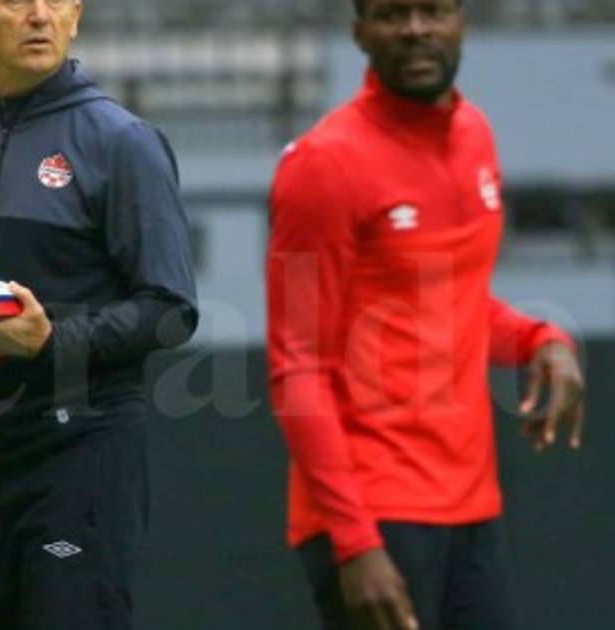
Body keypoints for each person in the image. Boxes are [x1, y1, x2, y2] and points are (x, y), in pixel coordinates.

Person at [0, 0, 198, 627]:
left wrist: (51, 341)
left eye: (56, 2)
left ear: (76, 17)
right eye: (18, 1)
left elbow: (171, 308)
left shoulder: (122, 141)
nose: (39, 16)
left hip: (78, 459)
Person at [266, 1, 586, 629]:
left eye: (432, 10)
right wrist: (354, 542)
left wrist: (539, 339)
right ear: (360, 32)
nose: (415, 29)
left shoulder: (476, 136)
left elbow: (449, 306)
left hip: (472, 510)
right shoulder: (322, 166)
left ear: (460, 19)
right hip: (373, 516)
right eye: (392, 14)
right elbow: (296, 369)